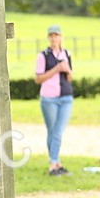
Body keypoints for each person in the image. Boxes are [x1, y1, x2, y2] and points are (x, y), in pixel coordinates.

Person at [34, 25, 73, 176]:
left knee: (57, 131)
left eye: (56, 35)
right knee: (53, 131)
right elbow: (38, 79)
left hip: (66, 98)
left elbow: (70, 78)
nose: (54, 38)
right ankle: (55, 164)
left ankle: (54, 163)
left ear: (61, 37)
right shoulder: (43, 56)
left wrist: (67, 69)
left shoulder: (67, 54)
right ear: (48, 38)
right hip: (49, 99)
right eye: (51, 35)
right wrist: (56, 69)